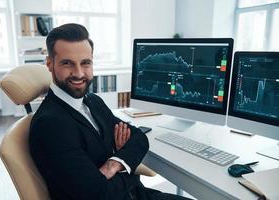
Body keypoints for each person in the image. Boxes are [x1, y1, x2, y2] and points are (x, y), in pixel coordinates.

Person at [29, 23, 191, 200]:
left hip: (137, 194)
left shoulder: (92, 101)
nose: (78, 73)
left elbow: (138, 137)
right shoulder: (50, 125)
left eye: (85, 63)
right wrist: (127, 166)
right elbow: (99, 194)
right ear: (50, 64)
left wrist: (114, 164)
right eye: (67, 63)